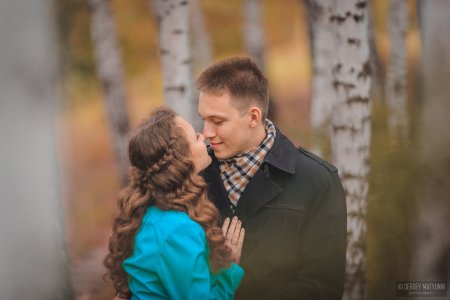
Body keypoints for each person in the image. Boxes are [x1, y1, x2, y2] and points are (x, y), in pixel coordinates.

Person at [197, 57, 347, 299]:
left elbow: (322, 287)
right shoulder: (193, 175)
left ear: (253, 117)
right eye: (203, 119)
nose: (206, 133)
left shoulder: (318, 180)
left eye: (218, 121)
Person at [104, 107, 246, 299]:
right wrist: (231, 269)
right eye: (195, 137)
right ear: (182, 159)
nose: (203, 136)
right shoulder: (178, 230)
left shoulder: (149, 214)